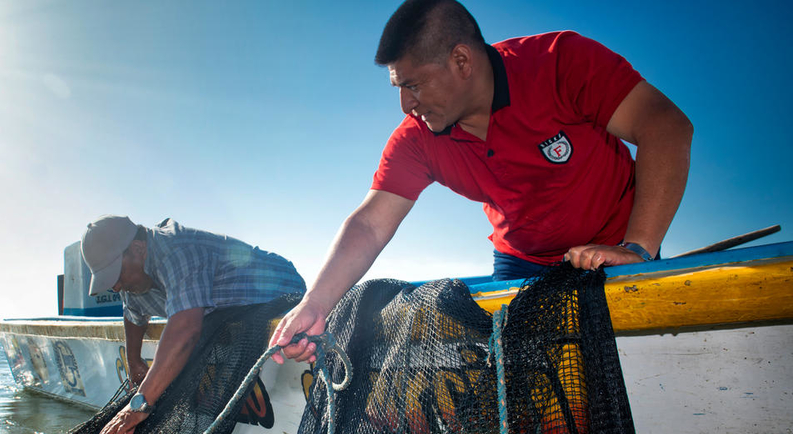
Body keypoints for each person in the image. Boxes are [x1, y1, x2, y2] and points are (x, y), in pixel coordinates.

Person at [271, 0, 692, 364]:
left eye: (413, 85)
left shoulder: (559, 60)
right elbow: (370, 222)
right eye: (399, 88)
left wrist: (637, 248)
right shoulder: (416, 138)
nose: (405, 104)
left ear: (461, 61)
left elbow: (665, 126)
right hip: (520, 261)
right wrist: (316, 302)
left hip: (614, 248)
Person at [81, 215, 306, 434]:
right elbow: (132, 315)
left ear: (138, 249)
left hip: (281, 290)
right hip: (219, 313)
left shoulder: (177, 249)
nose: (116, 286)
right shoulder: (132, 278)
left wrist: (140, 403)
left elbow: (186, 330)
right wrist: (135, 361)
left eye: (117, 275)